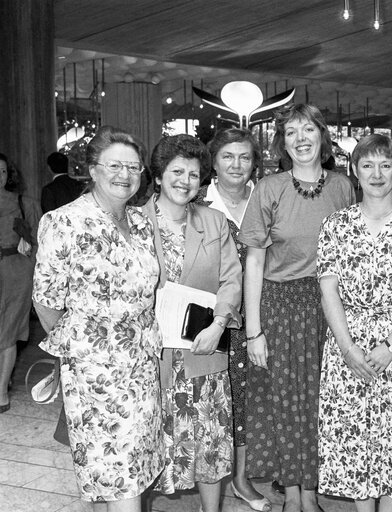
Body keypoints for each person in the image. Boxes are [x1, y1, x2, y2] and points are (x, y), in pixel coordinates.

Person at [32, 126, 163, 512]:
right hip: (96, 370)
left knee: (131, 470)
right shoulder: (64, 222)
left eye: (134, 167)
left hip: (142, 362)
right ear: (92, 170)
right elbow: (46, 302)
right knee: (117, 470)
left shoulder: (140, 222)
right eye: (115, 166)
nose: (125, 175)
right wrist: (82, 346)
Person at [240, 104, 356, 512]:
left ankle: (312, 492)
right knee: (285, 402)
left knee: (321, 401)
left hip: (329, 304)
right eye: (291, 132)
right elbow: (253, 260)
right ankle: (293, 497)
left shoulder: (343, 187)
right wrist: (254, 330)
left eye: (309, 129)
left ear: (323, 138)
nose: (301, 138)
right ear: (282, 143)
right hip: (280, 306)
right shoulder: (269, 188)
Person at [316, 134, 392, 512]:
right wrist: (349, 349)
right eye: (367, 165)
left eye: (386, 165)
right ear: (354, 171)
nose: (377, 173)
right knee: (355, 445)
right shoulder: (336, 225)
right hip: (346, 345)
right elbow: (328, 291)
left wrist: (390, 347)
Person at [144, 134, 242, 512]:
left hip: (204, 346)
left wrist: (219, 324)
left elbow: (231, 279)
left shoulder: (214, 221)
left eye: (193, 173)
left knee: (211, 441)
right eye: (177, 171)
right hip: (150, 354)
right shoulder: (135, 222)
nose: (185, 180)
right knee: (150, 439)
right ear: (158, 176)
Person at [195, 128, 270, 511]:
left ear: (254, 161)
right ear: (214, 161)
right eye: (227, 156)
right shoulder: (198, 200)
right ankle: (208, 474)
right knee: (213, 399)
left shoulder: (266, 196)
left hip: (258, 311)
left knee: (247, 397)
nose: (236, 165)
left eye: (244, 157)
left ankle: (241, 477)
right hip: (212, 315)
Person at [0, 153, 40, 413]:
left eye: (2, 172)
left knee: (8, 333)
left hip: (15, 273)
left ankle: (1, 391)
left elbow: (41, 242)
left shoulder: (25, 203)